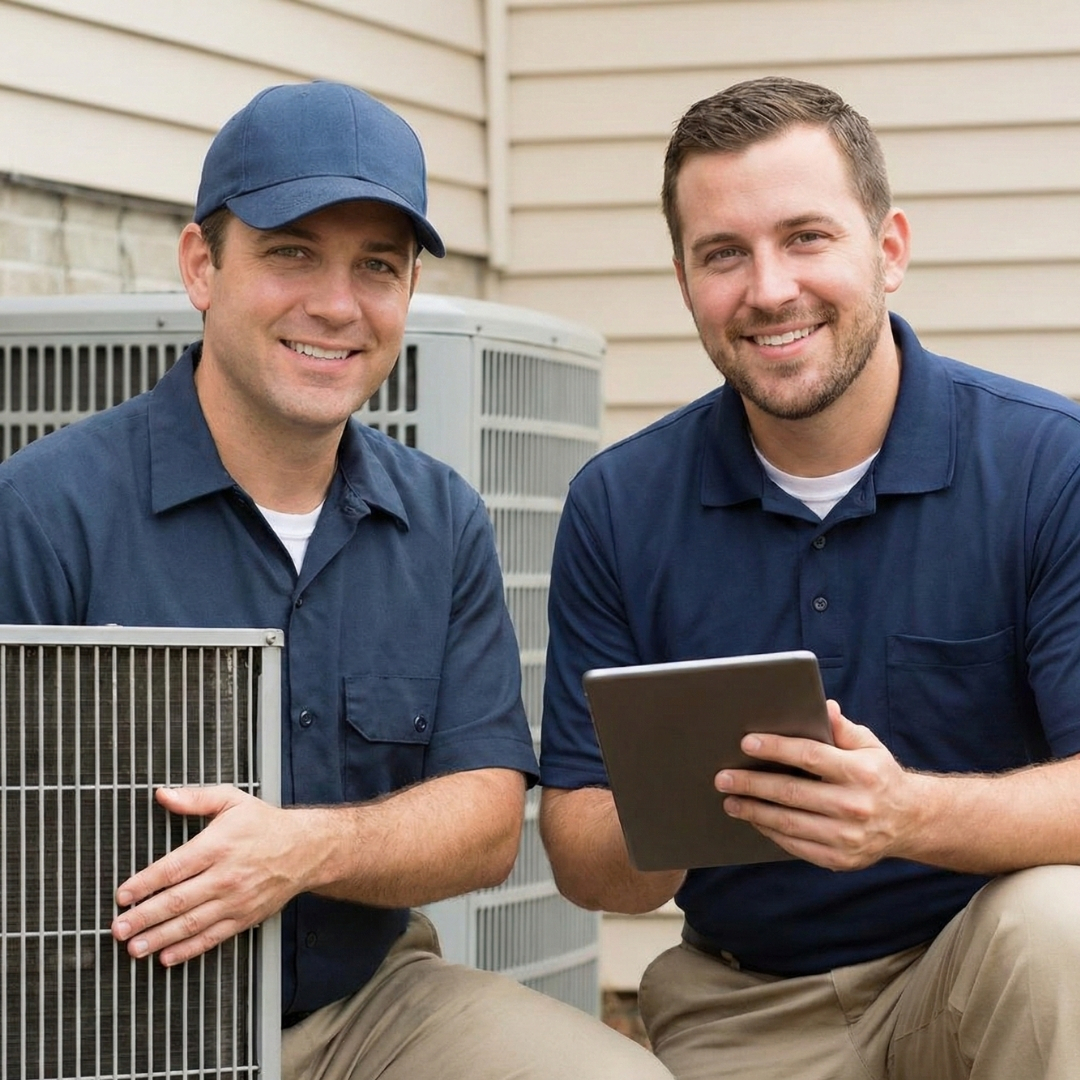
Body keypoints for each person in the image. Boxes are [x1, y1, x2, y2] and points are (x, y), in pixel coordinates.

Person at [0, 81, 671, 1080]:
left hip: (372, 1008)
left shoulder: (441, 518)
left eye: (377, 267)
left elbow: (487, 818)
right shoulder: (45, 510)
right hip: (113, 1017)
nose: (337, 305)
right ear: (201, 264)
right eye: (291, 253)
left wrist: (300, 850)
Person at [539, 75, 1080, 1080]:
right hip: (746, 1006)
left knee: (1064, 921)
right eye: (724, 254)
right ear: (685, 279)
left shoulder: (1049, 466)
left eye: (806, 237)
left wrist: (906, 814)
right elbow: (581, 858)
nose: (770, 288)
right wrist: (687, 804)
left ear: (889, 249)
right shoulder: (619, 505)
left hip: (981, 973)